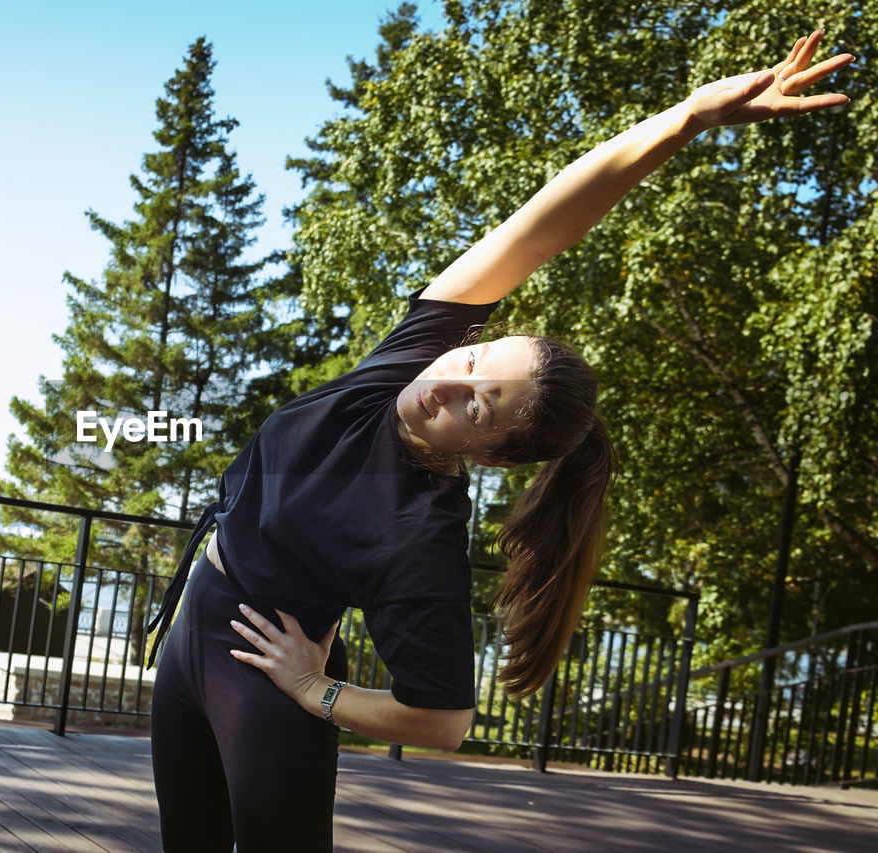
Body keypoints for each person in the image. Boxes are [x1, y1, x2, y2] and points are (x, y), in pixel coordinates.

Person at [148, 31, 852, 852]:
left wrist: (319, 691)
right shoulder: (411, 357)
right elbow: (539, 226)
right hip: (193, 630)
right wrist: (686, 117)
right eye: (474, 358)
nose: (447, 383)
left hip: (262, 679)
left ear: (488, 455)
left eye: (476, 409)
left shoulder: (419, 534)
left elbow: (444, 720)